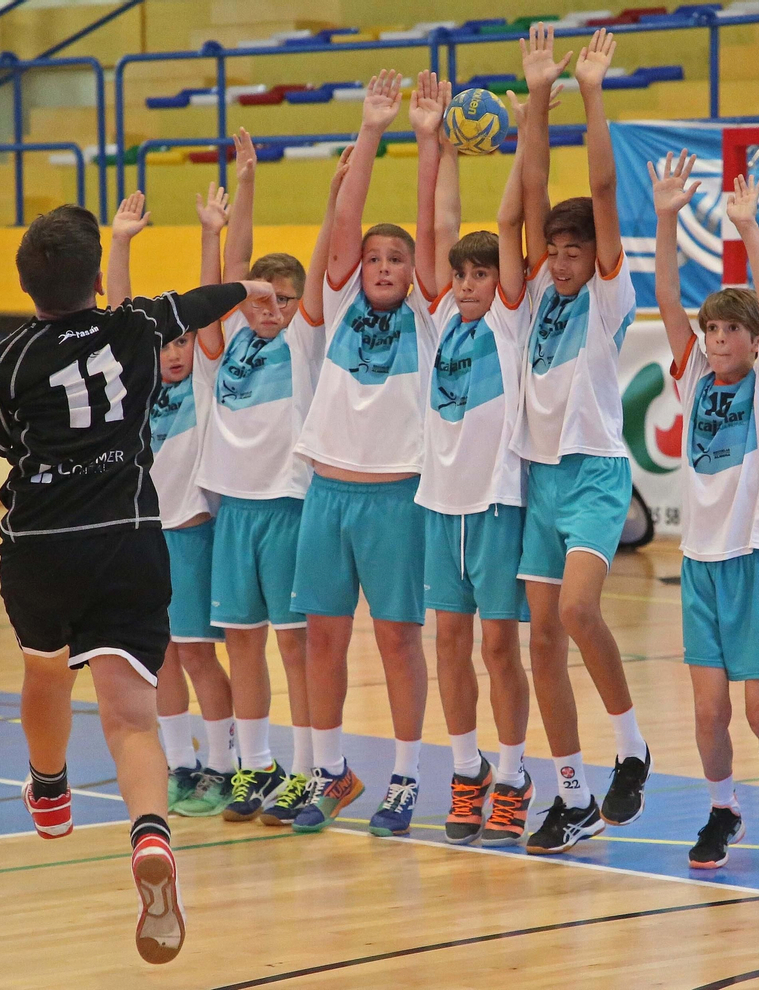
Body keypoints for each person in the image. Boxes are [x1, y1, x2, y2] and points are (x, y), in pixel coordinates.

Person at [0, 202, 281, 964]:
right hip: (130, 539)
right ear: (98, 279)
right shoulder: (132, 327)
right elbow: (196, 306)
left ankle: (50, 787)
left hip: (40, 547)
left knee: (45, 672)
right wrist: (248, 287)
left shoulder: (5, 362)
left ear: (27, 286)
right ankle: (150, 837)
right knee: (132, 718)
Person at [652, 156, 759, 873]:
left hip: (757, 560)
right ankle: (724, 809)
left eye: (730, 332)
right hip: (701, 566)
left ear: (753, 344)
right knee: (708, 714)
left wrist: (747, 229)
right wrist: (664, 218)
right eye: (711, 331)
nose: (716, 341)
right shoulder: (692, 375)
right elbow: (663, 299)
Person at [289, 69, 438, 839]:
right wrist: (370, 130)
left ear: (414, 274)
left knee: (396, 639)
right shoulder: (338, 302)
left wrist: (426, 140)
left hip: (396, 497)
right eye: (374, 258)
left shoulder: (430, 318)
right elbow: (344, 225)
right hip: (327, 493)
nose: (382, 266)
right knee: (322, 635)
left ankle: (408, 777)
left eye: (396, 260)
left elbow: (430, 224)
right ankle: (328, 770)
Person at [514, 24, 650, 856]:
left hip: (595, 473)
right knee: (540, 641)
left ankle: (631, 745)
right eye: (555, 252)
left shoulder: (605, 295)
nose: (562, 261)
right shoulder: (534, 294)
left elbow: (599, 189)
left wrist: (591, 95)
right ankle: (570, 795)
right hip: (539, 478)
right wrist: (535, 98)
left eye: (574, 252)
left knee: (575, 610)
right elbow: (535, 193)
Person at [197, 130, 344, 826]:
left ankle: (316, 772)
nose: (272, 308)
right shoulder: (227, 340)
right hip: (234, 510)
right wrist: (244, 181)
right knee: (244, 641)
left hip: (289, 506)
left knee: (295, 644)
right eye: (262, 297)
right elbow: (230, 265)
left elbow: (315, 271)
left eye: (285, 298)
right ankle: (256, 768)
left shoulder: (303, 339)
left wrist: (340, 192)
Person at [412, 72, 536, 847]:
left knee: (499, 646)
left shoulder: (510, 326)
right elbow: (442, 225)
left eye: (481, 274)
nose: (465, 284)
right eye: (461, 275)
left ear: (502, 282)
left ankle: (516, 775)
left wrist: (525, 134)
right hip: (439, 504)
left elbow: (503, 223)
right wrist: (442, 144)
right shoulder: (440, 319)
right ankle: (467, 772)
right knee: (448, 645)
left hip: (496, 504)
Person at [104, 188, 238, 818]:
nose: (178, 351)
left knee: (198, 652)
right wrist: (122, 242)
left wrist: (211, 234)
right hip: (144, 536)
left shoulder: (207, 377)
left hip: (191, 530)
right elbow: (121, 310)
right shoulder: (136, 381)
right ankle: (182, 763)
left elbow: (212, 307)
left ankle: (223, 764)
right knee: (159, 658)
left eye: (185, 341)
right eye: (168, 343)